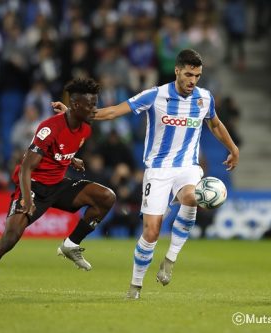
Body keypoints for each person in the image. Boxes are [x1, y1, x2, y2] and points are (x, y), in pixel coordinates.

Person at [53, 49, 239, 299]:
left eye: (197, 75)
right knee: (151, 232)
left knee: (192, 196)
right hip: (158, 170)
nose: (192, 80)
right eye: (188, 74)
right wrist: (74, 113)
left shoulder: (205, 98)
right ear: (177, 70)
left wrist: (232, 147)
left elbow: (214, 123)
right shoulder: (155, 95)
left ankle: (170, 258)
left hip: (188, 167)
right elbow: (112, 112)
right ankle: (135, 286)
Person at [0, 78, 116, 297]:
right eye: (91, 105)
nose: (95, 109)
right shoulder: (48, 128)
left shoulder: (85, 128)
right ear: (77, 105)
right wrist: (27, 201)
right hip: (33, 187)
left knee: (106, 197)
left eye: (95, 103)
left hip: (58, 184)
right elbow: (25, 169)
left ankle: (71, 244)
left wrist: (71, 159)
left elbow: (64, 146)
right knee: (9, 239)